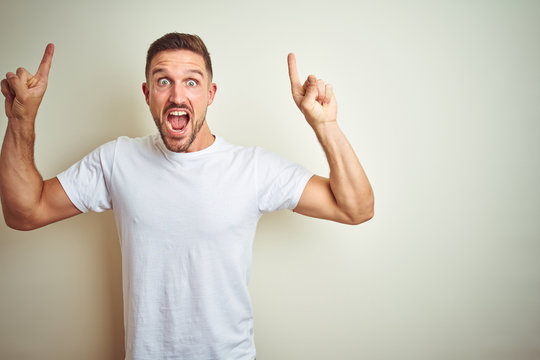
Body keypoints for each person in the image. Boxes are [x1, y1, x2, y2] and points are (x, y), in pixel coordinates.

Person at [0, 33, 373, 360]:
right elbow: (24, 212)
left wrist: (324, 124)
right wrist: (21, 120)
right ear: (147, 94)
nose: (178, 95)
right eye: (163, 81)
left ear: (210, 94)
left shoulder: (252, 168)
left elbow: (355, 208)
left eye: (192, 82)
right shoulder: (117, 160)